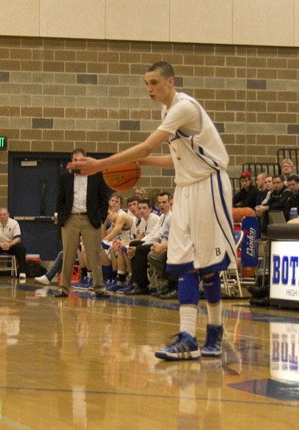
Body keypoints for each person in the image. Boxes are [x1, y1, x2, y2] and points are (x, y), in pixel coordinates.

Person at [69, 62, 236, 360]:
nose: (149, 88)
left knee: (207, 267)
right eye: (146, 83)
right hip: (185, 187)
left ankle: (214, 330)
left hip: (209, 183)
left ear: (170, 82)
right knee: (183, 261)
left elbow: (146, 146)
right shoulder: (167, 113)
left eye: (155, 82)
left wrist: (100, 165)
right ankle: (187, 337)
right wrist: (140, 164)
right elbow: (172, 159)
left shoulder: (183, 108)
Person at [54, 148, 111, 299]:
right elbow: (60, 200)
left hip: (90, 219)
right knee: (68, 255)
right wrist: (62, 218)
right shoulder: (65, 177)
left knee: (94, 254)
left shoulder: (96, 176)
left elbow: (104, 199)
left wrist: (101, 218)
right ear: (72, 161)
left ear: (85, 160)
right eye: (75, 160)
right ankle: (63, 288)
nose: (77, 163)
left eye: (80, 160)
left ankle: (99, 287)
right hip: (70, 218)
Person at [124, 192, 173, 295]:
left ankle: (143, 285)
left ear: (170, 203)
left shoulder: (167, 217)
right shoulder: (162, 217)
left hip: (166, 245)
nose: (161, 205)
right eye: (159, 202)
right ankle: (136, 281)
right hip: (159, 242)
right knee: (134, 245)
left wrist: (140, 247)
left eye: (164, 202)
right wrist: (139, 244)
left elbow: (158, 237)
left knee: (140, 250)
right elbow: (154, 234)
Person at [0, 207, 27, 282]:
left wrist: (9, 244)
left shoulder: (14, 223)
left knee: (21, 248)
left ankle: (22, 272)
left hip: (11, 245)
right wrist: (0, 244)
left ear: (8, 215)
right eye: (1, 215)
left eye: (4, 214)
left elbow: (18, 238)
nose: (2, 216)